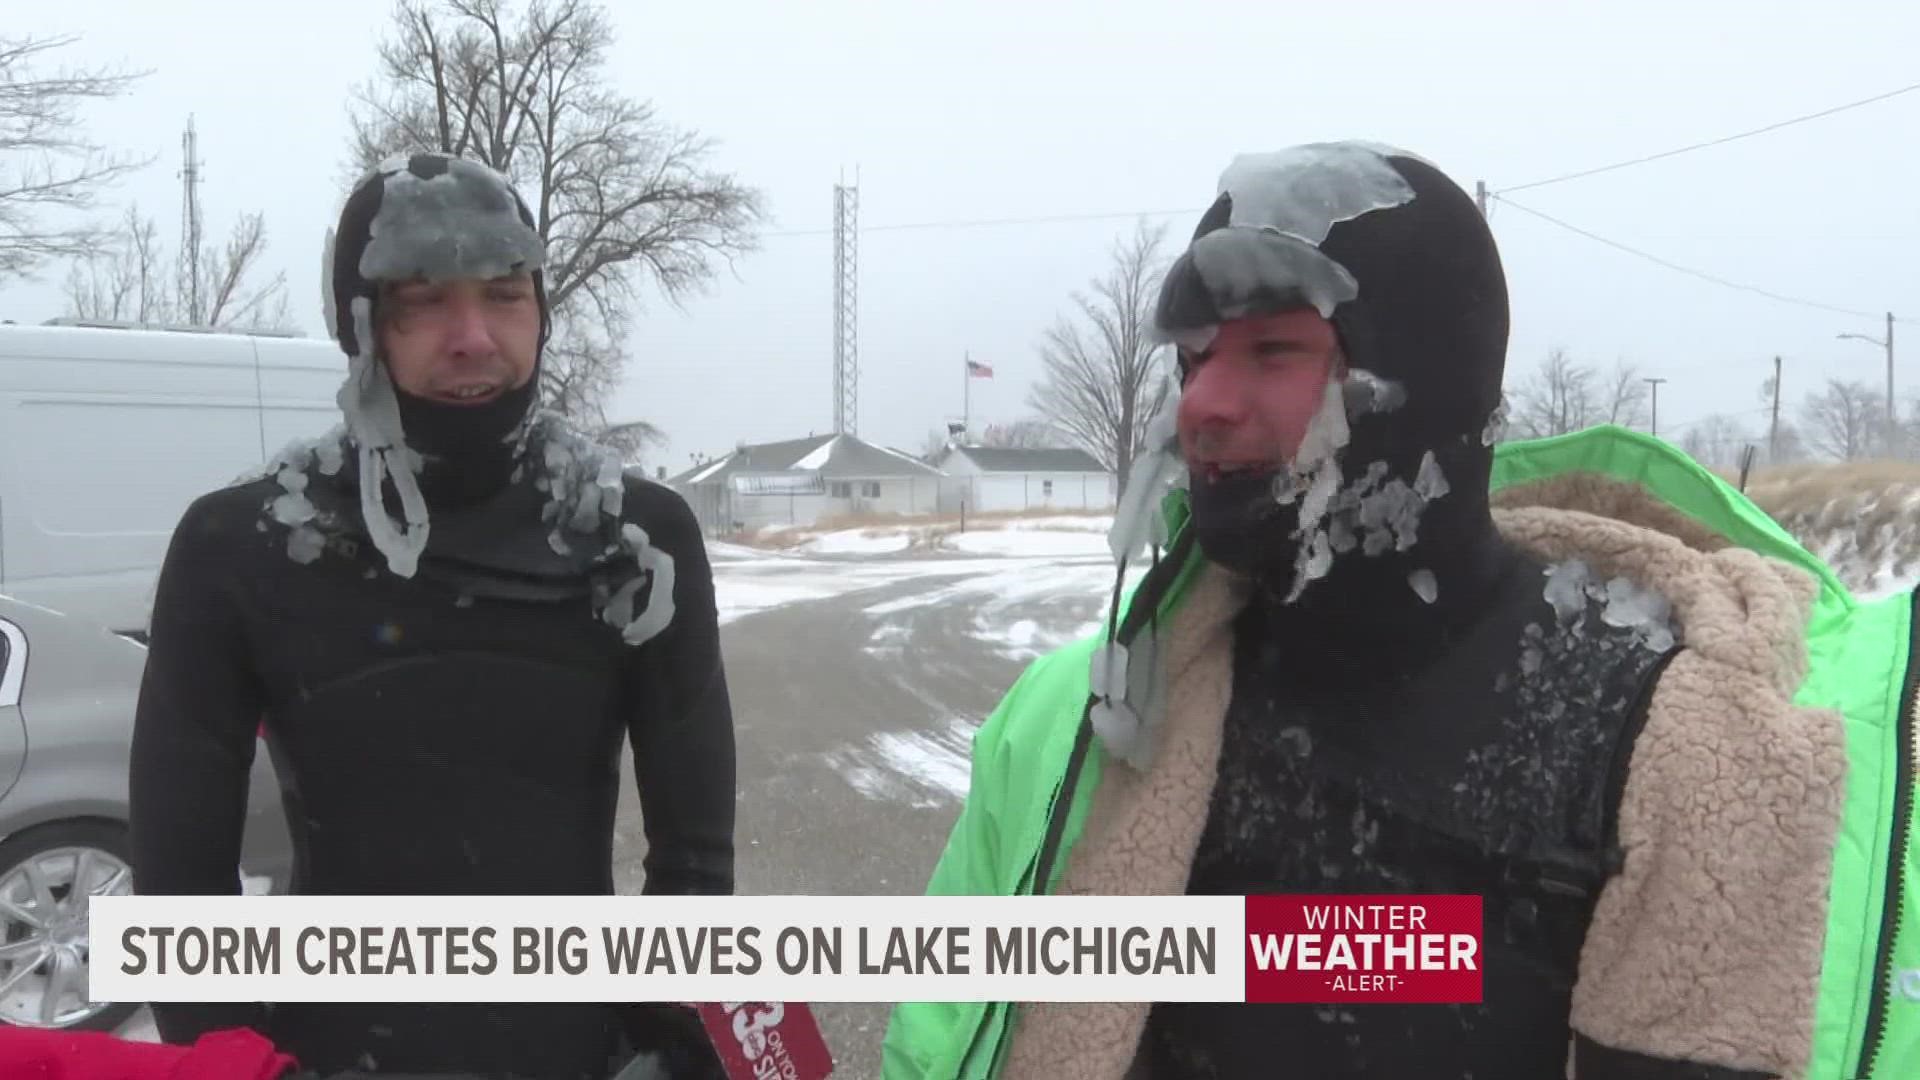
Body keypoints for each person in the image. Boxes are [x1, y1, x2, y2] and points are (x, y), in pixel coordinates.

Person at [882, 142, 1920, 1078]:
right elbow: (936, 1038)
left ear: (1422, 381)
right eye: (1194, 358)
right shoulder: (1081, 724)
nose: (1200, 404)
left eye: (1272, 352)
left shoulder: (1665, 746)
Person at [130, 152, 735, 1079]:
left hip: (577, 1052)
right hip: (330, 1056)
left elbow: (693, 856)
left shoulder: (632, 542)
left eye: (503, 294)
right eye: (422, 301)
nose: (473, 337)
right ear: (359, 327)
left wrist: (663, 1037)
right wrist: (239, 1064)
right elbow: (179, 889)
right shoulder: (243, 547)